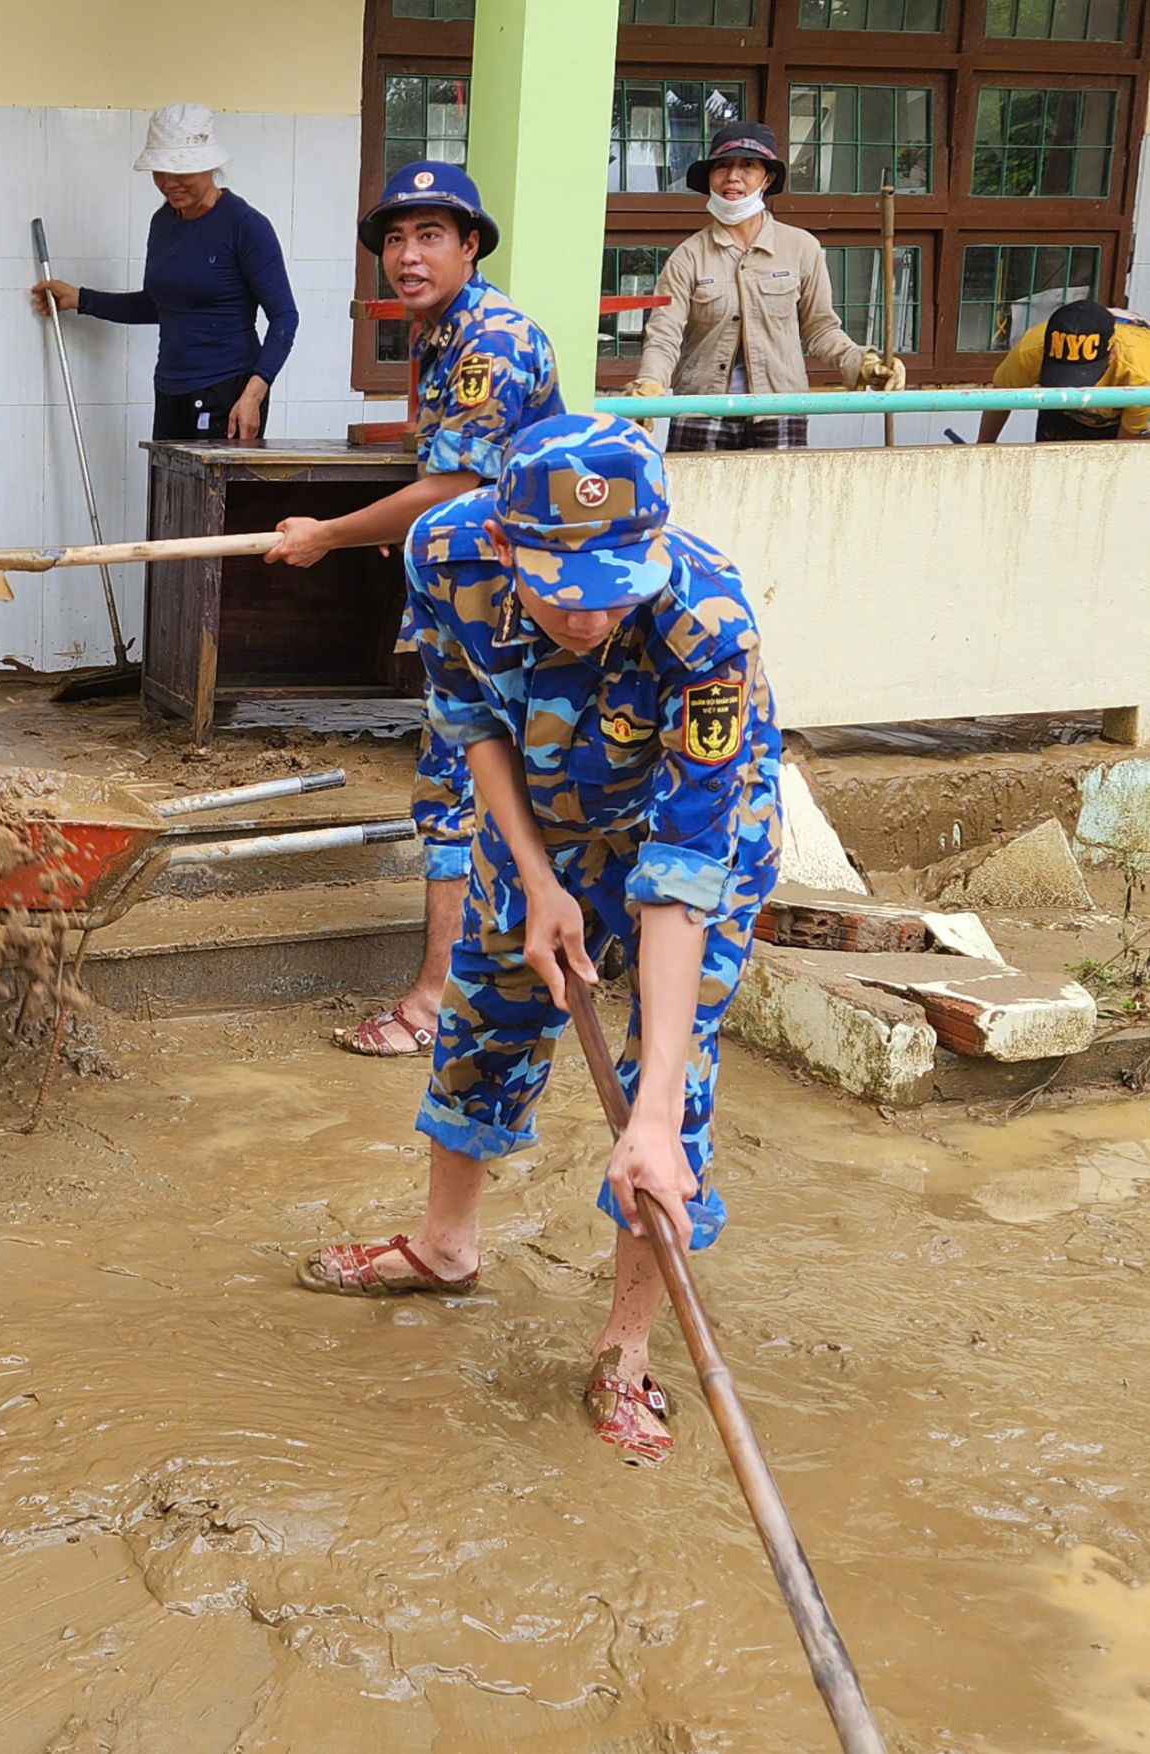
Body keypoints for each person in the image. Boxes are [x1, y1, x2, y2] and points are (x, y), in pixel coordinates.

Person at [295, 413, 782, 1466]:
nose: (591, 613)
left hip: (690, 839)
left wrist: (649, 1111)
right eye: (563, 589)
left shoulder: (707, 624)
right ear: (504, 542)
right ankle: (445, 1247)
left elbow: (682, 874)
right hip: (540, 815)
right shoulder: (446, 554)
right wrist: (537, 878)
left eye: (615, 587)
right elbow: (471, 720)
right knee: (485, 1006)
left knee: (668, 1087)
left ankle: (625, 1347)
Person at [262, 161, 563, 1061]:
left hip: (508, 607)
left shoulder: (491, 343)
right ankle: (513, 973)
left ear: (470, 246)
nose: (407, 255)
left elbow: (457, 485)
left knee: (456, 791)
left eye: (430, 236)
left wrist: (328, 534)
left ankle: (436, 1002)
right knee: (487, 788)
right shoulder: (439, 332)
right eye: (395, 239)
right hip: (468, 594)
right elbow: (447, 484)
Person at [30, 103, 298, 444]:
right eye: (160, 171)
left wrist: (254, 394)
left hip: (228, 393)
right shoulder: (163, 223)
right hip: (170, 390)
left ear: (208, 165)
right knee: (167, 481)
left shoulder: (245, 226)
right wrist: (81, 299)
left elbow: (285, 316)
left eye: (180, 171)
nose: (169, 183)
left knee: (214, 483)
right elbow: (160, 304)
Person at [627, 122, 900, 450]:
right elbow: (664, 335)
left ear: (767, 179)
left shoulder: (800, 247)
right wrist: (650, 385)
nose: (733, 177)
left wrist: (863, 362)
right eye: (722, 166)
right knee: (696, 486)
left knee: (779, 487)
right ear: (710, 178)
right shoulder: (688, 256)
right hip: (702, 409)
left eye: (748, 165)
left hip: (779, 409)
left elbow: (821, 331)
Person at [977, 299, 1150, 444]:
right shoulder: (1031, 349)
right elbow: (1000, 399)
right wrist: (983, 448)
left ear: (1111, 354)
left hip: (1125, 414)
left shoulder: (1140, 373)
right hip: (1061, 415)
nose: (1072, 388)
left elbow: (1126, 446)